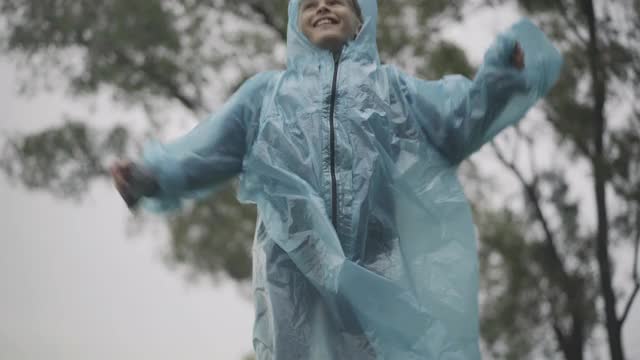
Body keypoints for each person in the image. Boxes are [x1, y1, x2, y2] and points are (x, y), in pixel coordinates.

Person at [111, 0, 562, 358]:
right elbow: (205, 151)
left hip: (381, 271)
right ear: (295, 22)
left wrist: (504, 74)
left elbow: (459, 118)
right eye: (309, 4)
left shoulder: (393, 90)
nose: (323, 6)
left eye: (338, 1)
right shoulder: (265, 96)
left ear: (361, 18)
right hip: (296, 279)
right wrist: (152, 176)